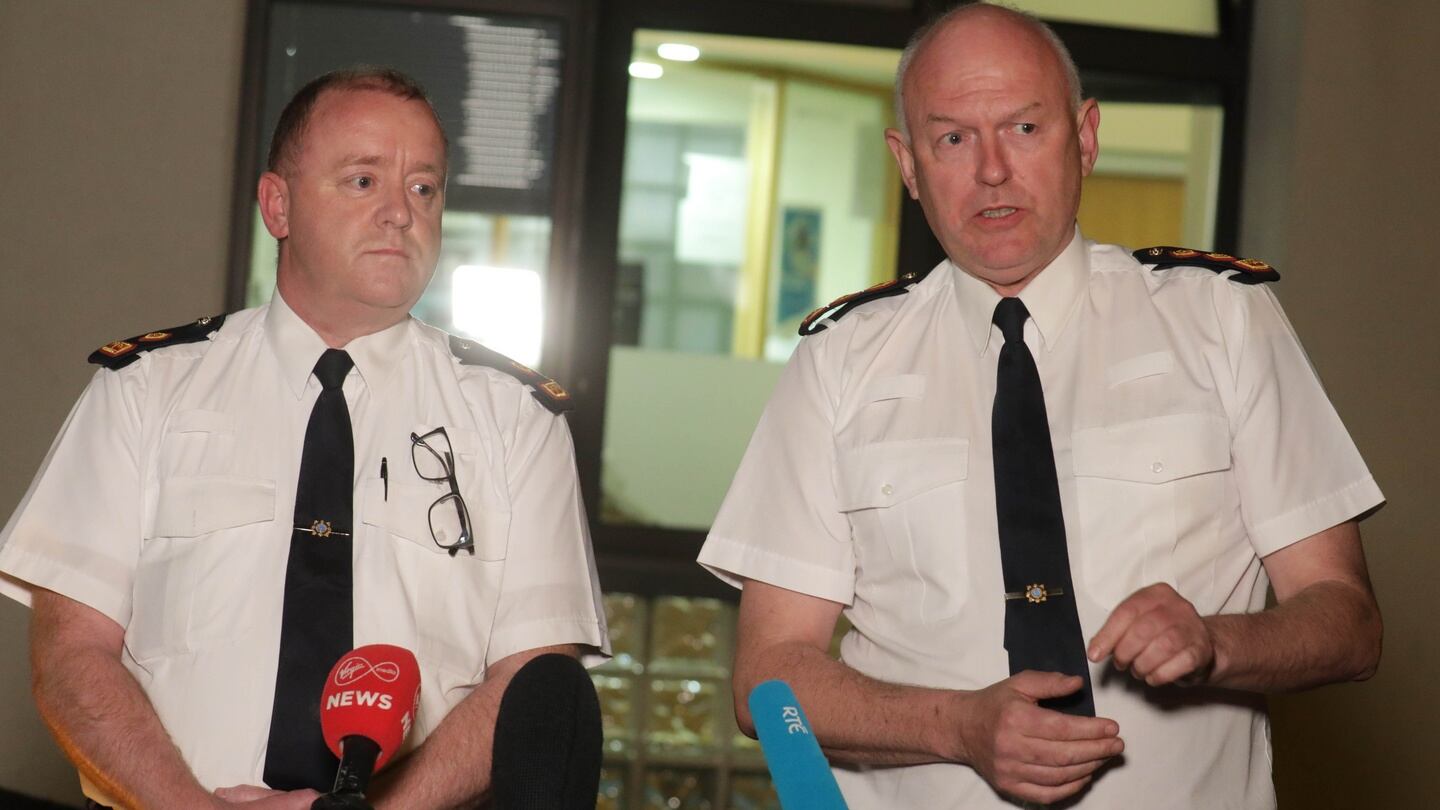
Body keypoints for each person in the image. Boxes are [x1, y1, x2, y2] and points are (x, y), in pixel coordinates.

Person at [698, 5, 1383, 808]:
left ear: (1085, 138)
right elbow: (766, 682)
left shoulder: (1221, 321)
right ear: (908, 164)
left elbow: (1348, 622)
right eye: (953, 138)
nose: (992, 170)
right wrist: (957, 727)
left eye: (1024, 128)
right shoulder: (839, 361)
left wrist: (1216, 642)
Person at [0, 68, 607, 810]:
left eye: (424, 188)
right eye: (363, 181)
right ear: (277, 204)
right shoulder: (145, 390)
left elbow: (533, 685)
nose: (400, 213)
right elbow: (71, 655)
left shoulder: (516, 420)